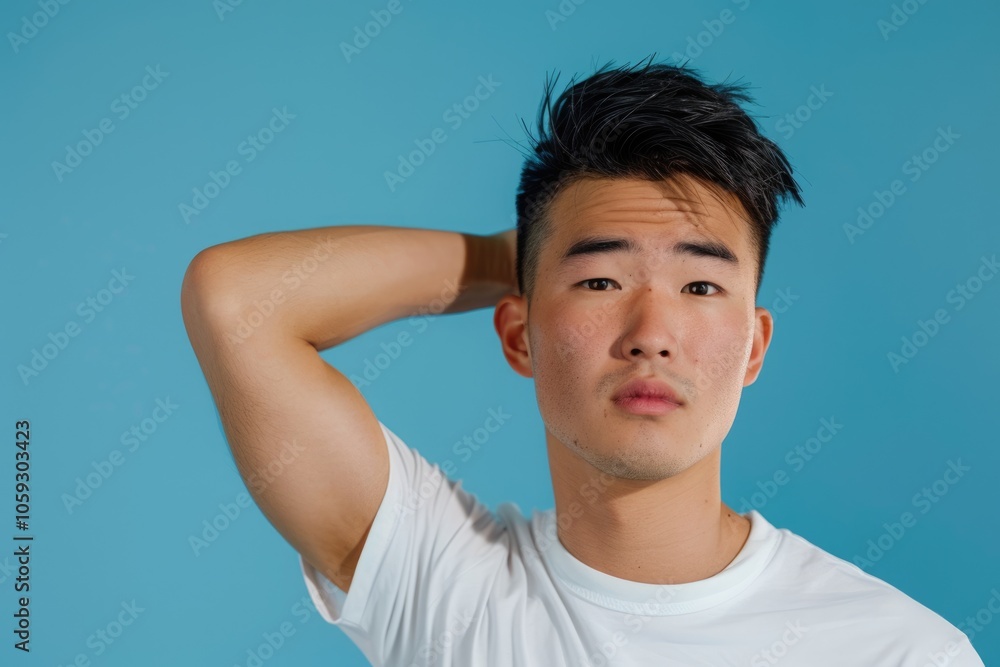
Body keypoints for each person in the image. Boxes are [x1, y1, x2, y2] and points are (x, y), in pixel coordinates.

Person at [180, 55, 985, 666]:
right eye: (601, 279)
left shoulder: (898, 650)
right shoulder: (448, 589)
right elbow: (239, 302)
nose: (651, 331)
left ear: (753, 347)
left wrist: (558, 265)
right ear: (519, 335)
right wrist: (524, 253)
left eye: (701, 284)